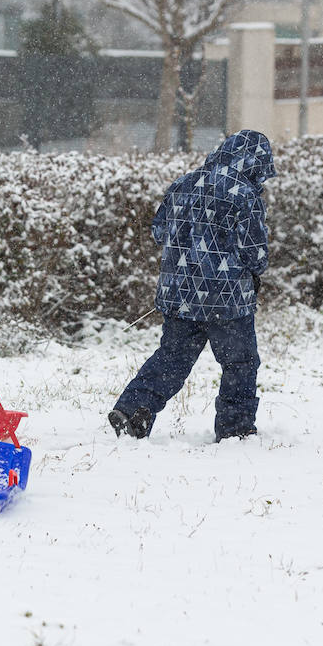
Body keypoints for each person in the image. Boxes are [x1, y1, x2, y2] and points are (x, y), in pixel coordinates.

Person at [109, 128, 276, 443]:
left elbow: (160, 232)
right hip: (227, 301)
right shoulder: (244, 194)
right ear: (255, 164)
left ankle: (133, 409)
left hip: (179, 296)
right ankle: (235, 428)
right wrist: (254, 270)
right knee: (239, 362)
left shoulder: (183, 184)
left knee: (172, 357)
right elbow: (254, 251)